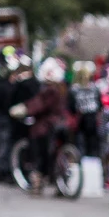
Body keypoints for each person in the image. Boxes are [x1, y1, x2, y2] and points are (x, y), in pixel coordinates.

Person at [16, 58, 75, 194]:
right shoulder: (63, 88)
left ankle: (38, 179)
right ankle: (58, 181)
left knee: (39, 150)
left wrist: (25, 109)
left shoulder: (49, 90)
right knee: (57, 151)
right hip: (63, 123)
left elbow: (39, 104)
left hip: (48, 124)